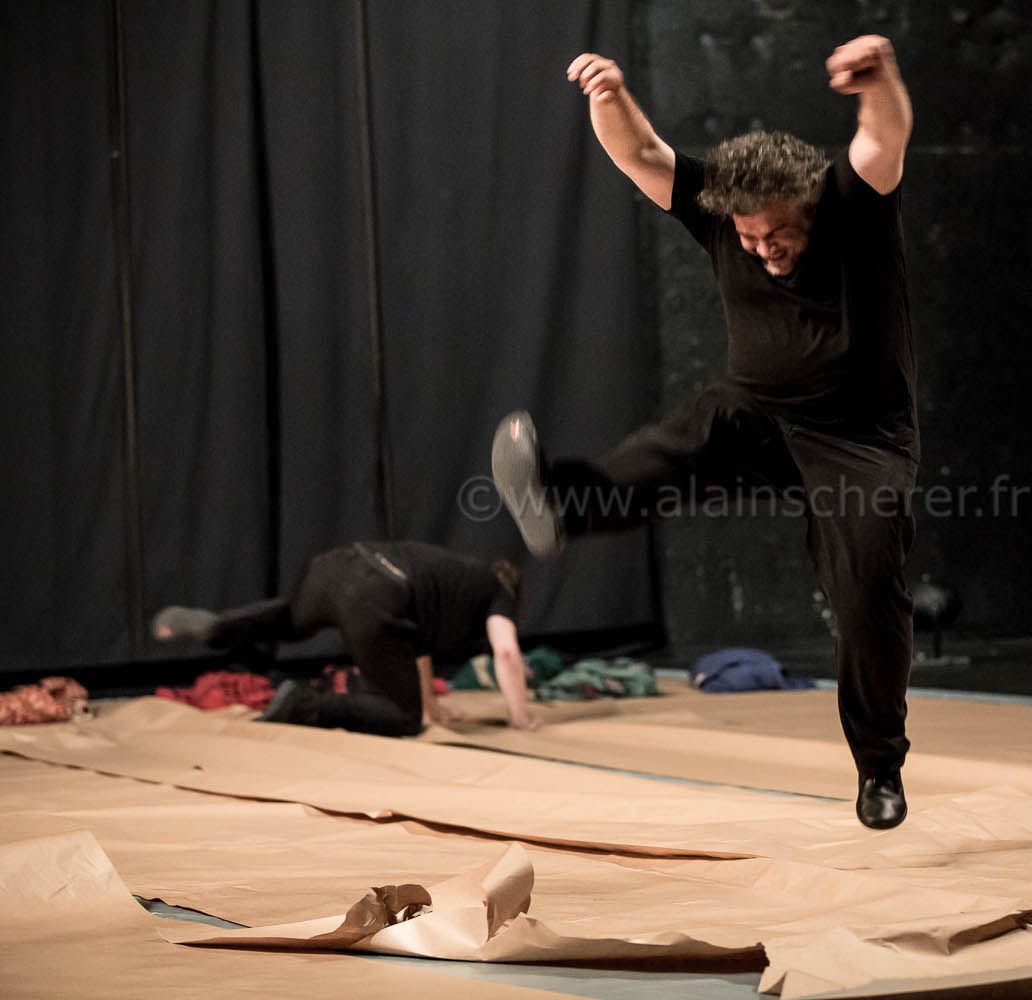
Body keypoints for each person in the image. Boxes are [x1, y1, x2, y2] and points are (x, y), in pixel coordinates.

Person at [490, 36, 918, 828]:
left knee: (866, 595)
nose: (762, 249)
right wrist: (609, 95)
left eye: (777, 234)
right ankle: (563, 506)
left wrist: (880, 79)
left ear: (808, 206)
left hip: (858, 440)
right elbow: (642, 154)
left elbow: (881, 137)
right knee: (683, 440)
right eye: (749, 238)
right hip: (757, 412)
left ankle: (878, 769)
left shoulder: (850, 204)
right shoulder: (723, 212)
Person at [152, 541, 537, 736]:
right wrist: (520, 717)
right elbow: (505, 651)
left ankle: (218, 626)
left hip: (337, 567)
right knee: (403, 718)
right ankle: (306, 703)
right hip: (377, 591)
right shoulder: (498, 590)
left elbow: (416, 651)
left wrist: (432, 706)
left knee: (291, 621)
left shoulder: (456, 582)